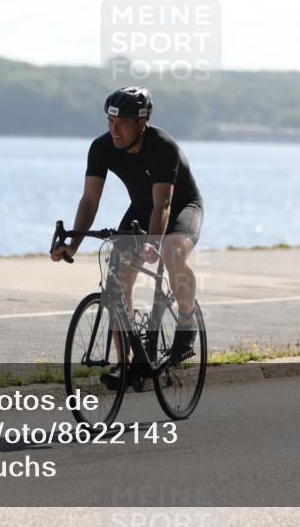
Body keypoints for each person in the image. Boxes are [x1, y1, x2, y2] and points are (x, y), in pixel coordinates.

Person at [50, 86, 204, 382]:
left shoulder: (162, 146)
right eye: (110, 122)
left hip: (182, 207)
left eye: (122, 124)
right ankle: (128, 364)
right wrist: (73, 243)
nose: (114, 130)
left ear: (141, 123)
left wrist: (153, 245)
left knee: (172, 252)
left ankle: (186, 324)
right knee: (117, 279)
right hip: (142, 209)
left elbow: (165, 204)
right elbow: (90, 200)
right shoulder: (101, 147)